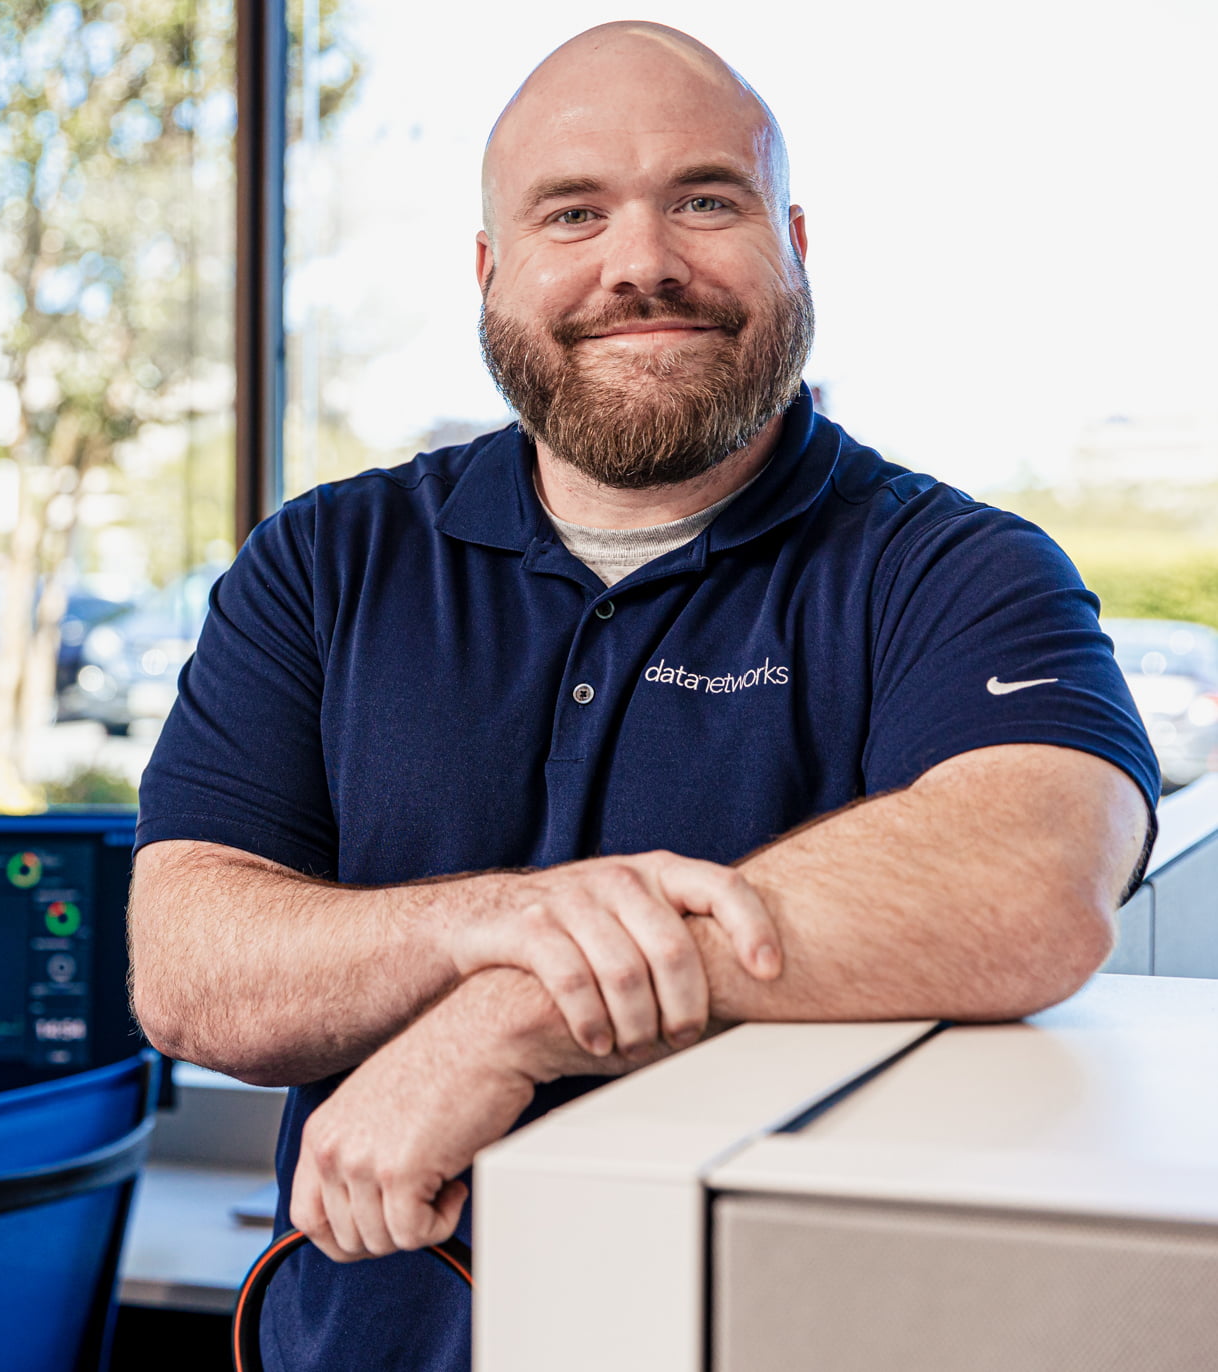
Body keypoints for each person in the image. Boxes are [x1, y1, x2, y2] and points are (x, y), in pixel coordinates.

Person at [127, 19, 1160, 1372]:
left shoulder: (950, 565)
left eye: (703, 201)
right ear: (490, 271)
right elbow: (192, 976)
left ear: (791, 243)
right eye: (573, 211)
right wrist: (499, 920)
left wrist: (520, 1011)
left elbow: (1034, 881)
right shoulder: (325, 561)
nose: (641, 264)